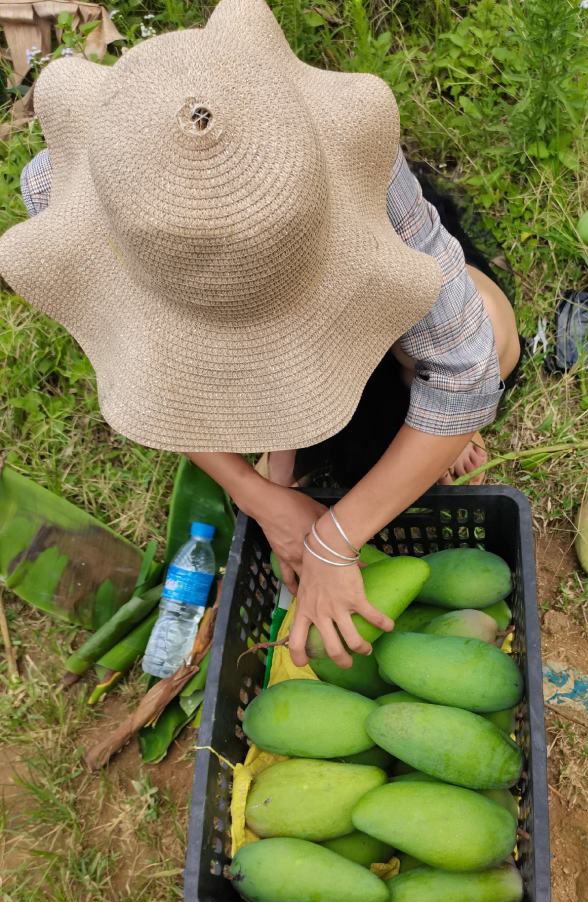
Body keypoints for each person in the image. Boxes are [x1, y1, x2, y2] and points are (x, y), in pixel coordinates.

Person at [1, 0, 520, 671]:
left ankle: (415, 387)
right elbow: (141, 366)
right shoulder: (77, 191)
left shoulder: (350, 165)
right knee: (362, 447)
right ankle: (401, 427)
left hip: (367, 267)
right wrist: (260, 493)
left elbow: (469, 369)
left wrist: (334, 539)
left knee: (490, 342)